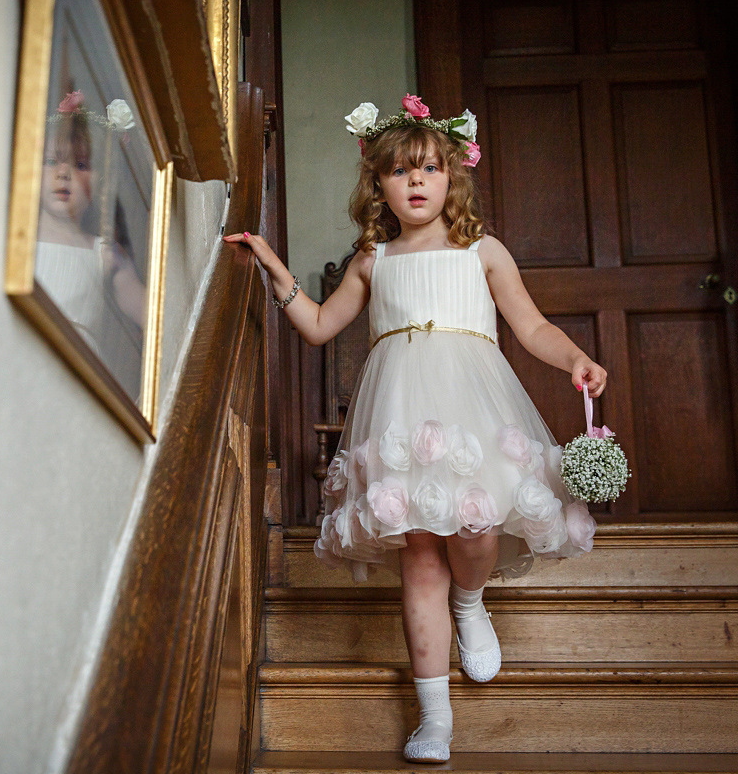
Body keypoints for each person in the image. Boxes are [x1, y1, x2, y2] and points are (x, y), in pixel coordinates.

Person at [225, 95, 606, 764]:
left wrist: (574, 356)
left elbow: (531, 326)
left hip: (476, 408)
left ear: (452, 176)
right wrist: (274, 270)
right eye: (401, 172)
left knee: (478, 526)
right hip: (403, 414)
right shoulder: (374, 260)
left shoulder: (482, 251)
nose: (418, 182)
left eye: (430, 168)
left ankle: (471, 601)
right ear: (378, 183)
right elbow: (318, 326)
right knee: (420, 559)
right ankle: (435, 716)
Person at [35, 91, 146, 358]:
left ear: (101, 181)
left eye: (81, 164)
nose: (63, 173)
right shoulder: (13, 240)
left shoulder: (105, 253)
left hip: (77, 368)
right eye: (51, 161)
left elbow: (155, 317)